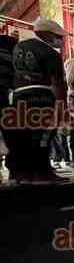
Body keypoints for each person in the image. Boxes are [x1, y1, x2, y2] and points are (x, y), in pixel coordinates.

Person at [11, 18, 68, 185]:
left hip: (19, 97)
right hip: (41, 96)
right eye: (58, 36)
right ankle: (43, 174)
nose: (61, 40)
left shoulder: (18, 47)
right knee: (44, 136)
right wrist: (61, 106)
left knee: (26, 138)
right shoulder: (50, 52)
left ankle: (26, 175)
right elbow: (58, 82)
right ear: (46, 34)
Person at [0, 34, 17, 184]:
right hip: (3, 95)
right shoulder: (11, 51)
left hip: (3, 94)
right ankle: (14, 170)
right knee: (10, 133)